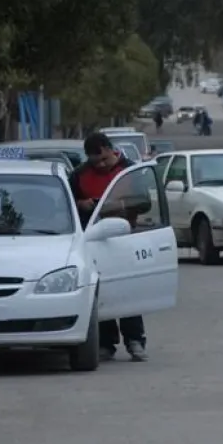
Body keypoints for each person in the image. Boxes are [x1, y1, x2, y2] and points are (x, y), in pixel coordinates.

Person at [68, 132, 148, 362]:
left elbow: (144, 201)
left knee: (128, 291)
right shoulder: (79, 175)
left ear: (111, 150)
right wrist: (82, 204)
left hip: (124, 238)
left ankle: (135, 340)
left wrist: (116, 205)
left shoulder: (130, 171)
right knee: (101, 292)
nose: (101, 165)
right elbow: (67, 203)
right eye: (96, 162)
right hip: (94, 240)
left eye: (105, 159)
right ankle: (106, 343)